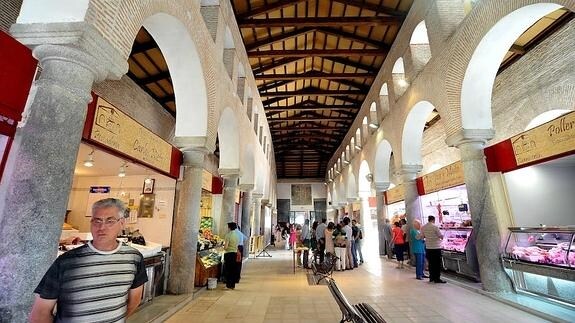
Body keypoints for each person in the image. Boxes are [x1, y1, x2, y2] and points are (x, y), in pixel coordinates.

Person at [29, 198, 148, 322]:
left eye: (110, 221)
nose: (102, 227)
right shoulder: (66, 262)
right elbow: (40, 313)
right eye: (97, 221)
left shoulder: (134, 258)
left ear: (122, 223)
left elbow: (134, 300)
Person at [419, 215, 445, 283]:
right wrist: (442, 237)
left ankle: (431, 277)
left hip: (428, 247)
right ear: (433, 220)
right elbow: (440, 236)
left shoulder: (423, 227)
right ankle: (437, 279)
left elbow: (421, 237)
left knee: (430, 263)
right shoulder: (435, 227)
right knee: (437, 264)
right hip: (436, 247)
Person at [223, 222, 240, 289]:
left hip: (229, 254)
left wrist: (223, 247)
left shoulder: (228, 235)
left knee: (228, 270)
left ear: (229, 227)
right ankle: (232, 285)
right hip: (235, 253)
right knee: (233, 269)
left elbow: (226, 247)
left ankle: (228, 285)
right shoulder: (237, 235)